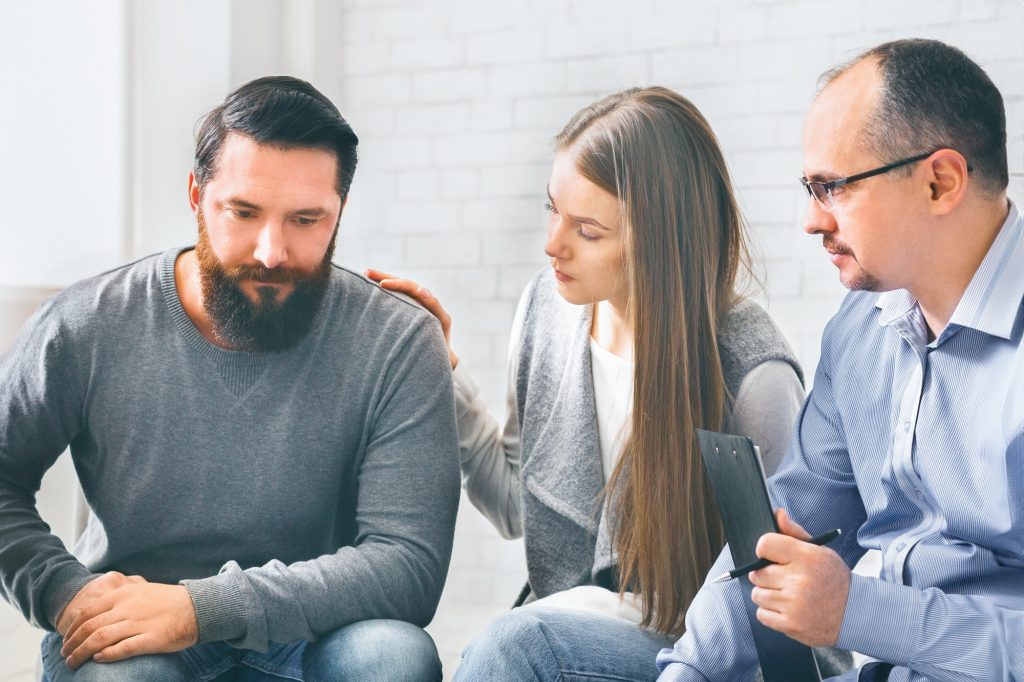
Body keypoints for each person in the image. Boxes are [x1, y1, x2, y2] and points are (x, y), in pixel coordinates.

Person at [369, 86, 848, 680]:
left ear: (659, 241)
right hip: (570, 631)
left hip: (708, 655)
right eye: (553, 210)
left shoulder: (752, 373)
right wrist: (444, 372)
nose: (552, 245)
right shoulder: (546, 312)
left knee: (515, 646)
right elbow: (516, 505)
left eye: (588, 230)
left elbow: (784, 602)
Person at [0, 76, 460, 681]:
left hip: (313, 632)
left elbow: (406, 565)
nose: (272, 251)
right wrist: (63, 592)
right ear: (196, 195)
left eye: (305, 219)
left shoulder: (398, 340)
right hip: (137, 636)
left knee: (391, 658)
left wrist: (201, 609)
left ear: (339, 212)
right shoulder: (87, 322)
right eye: (243, 212)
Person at [656, 39, 1023, 681]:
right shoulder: (859, 332)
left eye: (833, 188)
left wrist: (859, 612)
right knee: (530, 649)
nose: (809, 221)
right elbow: (781, 536)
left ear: (941, 181)